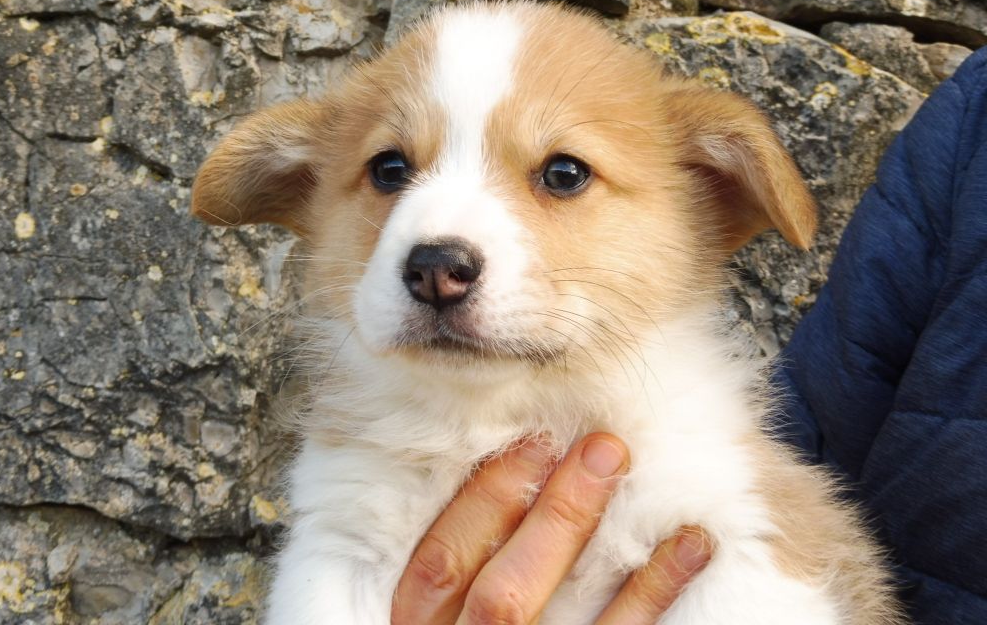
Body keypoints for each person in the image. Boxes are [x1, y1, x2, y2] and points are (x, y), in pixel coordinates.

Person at [391, 46, 987, 624]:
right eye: (392, 171)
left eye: (563, 175)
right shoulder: (970, 129)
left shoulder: (687, 454)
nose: (438, 250)